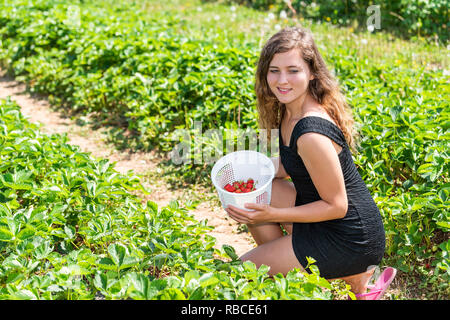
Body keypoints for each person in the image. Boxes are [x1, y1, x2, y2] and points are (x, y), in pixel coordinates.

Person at [225, 26, 391, 299]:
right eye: (274, 70)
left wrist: (272, 215)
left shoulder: (311, 132)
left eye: (293, 70)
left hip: (351, 238)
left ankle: (352, 275)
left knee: (242, 272)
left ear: (311, 72)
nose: (282, 80)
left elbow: (337, 206)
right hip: (328, 224)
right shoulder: (289, 111)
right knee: (263, 189)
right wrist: (252, 170)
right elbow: (293, 164)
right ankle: (296, 271)